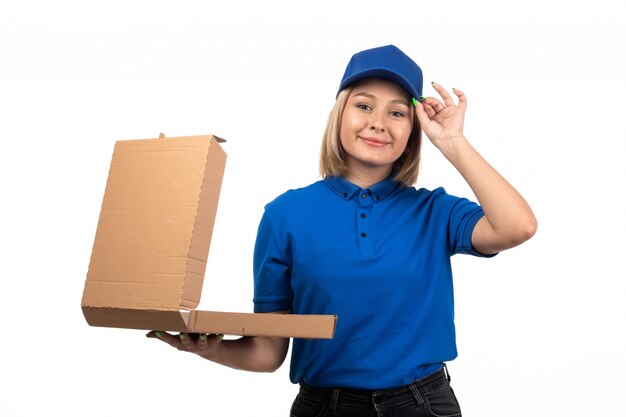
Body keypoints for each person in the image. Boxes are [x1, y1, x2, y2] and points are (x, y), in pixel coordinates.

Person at [147, 44, 537, 416]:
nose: (378, 123)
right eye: (364, 105)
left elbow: (517, 226)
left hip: (422, 405)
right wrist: (212, 351)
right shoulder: (285, 214)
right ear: (340, 114)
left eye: (398, 113)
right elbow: (268, 352)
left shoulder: (434, 210)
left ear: (413, 130)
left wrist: (452, 142)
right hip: (325, 406)